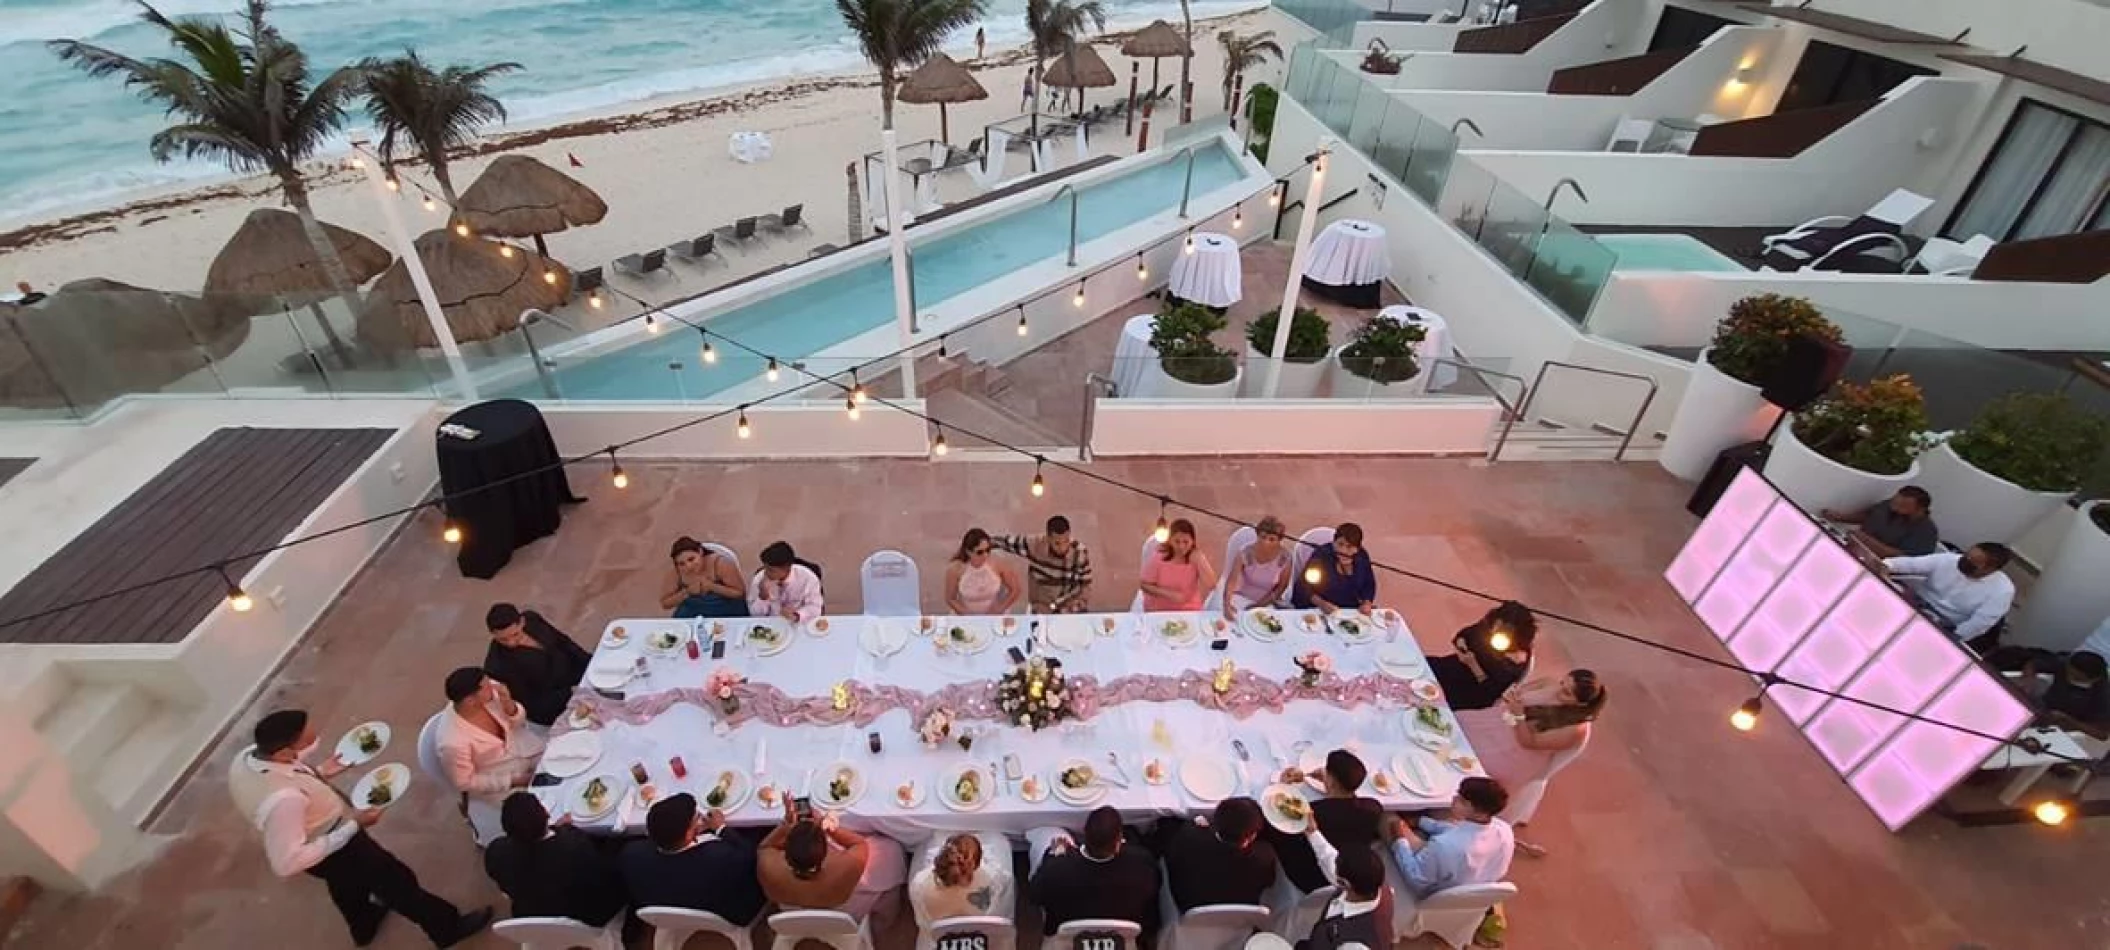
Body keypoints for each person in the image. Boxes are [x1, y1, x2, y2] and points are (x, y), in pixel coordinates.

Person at [228, 709, 492, 947]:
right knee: (397, 882)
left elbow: (292, 776)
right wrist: (354, 825)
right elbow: (287, 861)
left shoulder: (248, 758)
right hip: (334, 845)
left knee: (345, 884)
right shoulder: (285, 800)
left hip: (325, 840)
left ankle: (363, 923)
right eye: (307, 742)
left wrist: (321, 772)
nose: (314, 743)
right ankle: (446, 927)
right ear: (284, 752)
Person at [1459, 670, 1606, 857]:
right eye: (1562, 683)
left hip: (1518, 753)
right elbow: (1517, 692)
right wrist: (1511, 695)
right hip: (1495, 723)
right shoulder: (1548, 682)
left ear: (1581, 703)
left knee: (1471, 763)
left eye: (1567, 693)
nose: (1559, 690)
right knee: (1459, 723)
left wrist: (1519, 716)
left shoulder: (1576, 729)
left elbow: (1529, 743)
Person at [433, 667, 547, 844]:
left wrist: (509, 705)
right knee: (540, 806)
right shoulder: (452, 742)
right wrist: (513, 781)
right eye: (486, 687)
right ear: (471, 701)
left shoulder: (490, 690)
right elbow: (464, 782)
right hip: (497, 775)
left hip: (523, 748)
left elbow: (518, 722)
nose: (493, 687)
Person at [619, 792, 768, 926]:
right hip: (732, 912)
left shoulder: (631, 854)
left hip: (673, 909)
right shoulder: (720, 858)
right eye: (696, 818)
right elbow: (750, 855)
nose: (701, 818)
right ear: (688, 834)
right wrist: (722, 829)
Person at [483, 792, 624, 928]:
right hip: (585, 918)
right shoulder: (575, 847)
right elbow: (604, 874)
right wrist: (563, 830)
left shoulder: (495, 853)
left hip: (534, 920)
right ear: (546, 813)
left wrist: (558, 830)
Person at [758, 795, 905, 921]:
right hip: (843, 910)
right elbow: (859, 844)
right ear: (824, 853)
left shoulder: (768, 867)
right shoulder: (843, 868)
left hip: (794, 910)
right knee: (890, 850)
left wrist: (786, 825)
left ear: (786, 855)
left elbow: (765, 846)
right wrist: (827, 826)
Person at [1027, 806, 1159, 935]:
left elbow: (1034, 895)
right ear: (1118, 842)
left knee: (1050, 834)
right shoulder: (1142, 862)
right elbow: (1155, 886)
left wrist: (1053, 855)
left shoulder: (1057, 868)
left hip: (1067, 931)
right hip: (1122, 929)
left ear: (1084, 833)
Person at [1271, 749, 1386, 893]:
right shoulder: (1373, 807)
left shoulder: (1316, 812)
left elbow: (1280, 817)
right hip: (1347, 866)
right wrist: (1331, 784)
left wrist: (1282, 787)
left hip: (1310, 876)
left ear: (1331, 780)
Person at [1382, 777, 1514, 902]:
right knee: (1440, 813)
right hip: (1474, 883)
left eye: (1462, 802)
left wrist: (1400, 840)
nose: (1454, 799)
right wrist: (1422, 822)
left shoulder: (1444, 845)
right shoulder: (1505, 829)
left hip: (1435, 891)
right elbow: (1460, 831)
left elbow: (1416, 879)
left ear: (1480, 813)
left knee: (1387, 817)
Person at [1876, 543, 2015, 649]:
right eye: (1967, 555)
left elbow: (1978, 624)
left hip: (1943, 625)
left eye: (1973, 561)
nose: (1965, 560)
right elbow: (1911, 564)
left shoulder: (2002, 590)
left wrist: (1948, 640)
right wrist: (1887, 566)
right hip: (1916, 602)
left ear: (1990, 569)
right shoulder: (1949, 560)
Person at [1160, 796, 1278, 912]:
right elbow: (1268, 881)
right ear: (1252, 836)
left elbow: (1172, 858)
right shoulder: (1264, 856)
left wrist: (1201, 829)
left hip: (1188, 904)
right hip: (1235, 915)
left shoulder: (1190, 837)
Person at [481, 602, 590, 727]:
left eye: (515, 634)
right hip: (554, 701)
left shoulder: (533, 620)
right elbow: (530, 703)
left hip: (572, 670)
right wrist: (570, 692)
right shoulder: (498, 666)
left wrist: (589, 661)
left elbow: (563, 641)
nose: (511, 643)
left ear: (522, 622)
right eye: (503, 639)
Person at [1426, 601, 1538, 711]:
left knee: (1430, 700)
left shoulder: (1515, 661)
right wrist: (1461, 646)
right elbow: (1464, 634)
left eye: (1504, 628)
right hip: (1455, 667)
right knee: (1423, 666)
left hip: (1470, 692)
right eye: (1498, 624)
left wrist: (1473, 665)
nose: (1496, 630)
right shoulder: (1490, 625)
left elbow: (1489, 694)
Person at [907, 832, 1015, 930]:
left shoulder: (920, 883)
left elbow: (922, 921)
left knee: (929, 842)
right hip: (982, 930)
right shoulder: (993, 876)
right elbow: (1003, 895)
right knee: (999, 841)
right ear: (976, 864)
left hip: (939, 933)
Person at [1288, 845, 1388, 950]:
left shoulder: (1356, 945)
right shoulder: (1371, 882)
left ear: (1345, 884)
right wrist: (1312, 833)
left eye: (1338, 878)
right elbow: (1331, 861)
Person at [994, 515, 1095, 613]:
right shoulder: (1035, 544)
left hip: (1070, 605)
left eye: (1066, 541)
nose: (1062, 547)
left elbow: (1085, 585)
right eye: (1057, 543)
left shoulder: (1079, 552)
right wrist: (987, 544)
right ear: (1048, 538)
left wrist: (1077, 604)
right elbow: (1006, 542)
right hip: (1042, 606)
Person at [1823, 486, 1939, 557]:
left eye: (1902, 505)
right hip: (1854, 545)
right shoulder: (1889, 506)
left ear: (1920, 509)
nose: (1895, 506)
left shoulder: (1926, 531)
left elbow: (1904, 557)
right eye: (1895, 501)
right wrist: (1840, 517)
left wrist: (1866, 540)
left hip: (1878, 564)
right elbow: (1867, 515)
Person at [1220, 515, 1295, 617]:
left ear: (1279, 540)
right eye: (1263, 537)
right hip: (1240, 596)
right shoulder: (1245, 553)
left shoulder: (1285, 558)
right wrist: (1227, 604)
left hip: (1267, 601)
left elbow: (1280, 588)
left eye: (1272, 539)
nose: (1265, 542)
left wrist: (1258, 606)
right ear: (1257, 535)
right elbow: (1232, 581)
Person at [1292, 523, 1377, 614]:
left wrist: (1367, 603)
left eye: (1349, 547)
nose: (1343, 551)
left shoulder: (1362, 557)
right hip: (1320, 610)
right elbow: (1303, 586)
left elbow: (1369, 584)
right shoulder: (1322, 555)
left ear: (1357, 548)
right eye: (1340, 544)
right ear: (1334, 542)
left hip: (1350, 611)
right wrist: (1322, 604)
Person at [1140, 518, 1217, 612]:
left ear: (1192, 541)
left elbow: (1212, 585)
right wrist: (1169, 594)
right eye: (1177, 541)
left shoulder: (1196, 558)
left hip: (1189, 608)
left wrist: (1200, 561)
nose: (1181, 547)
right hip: (1159, 609)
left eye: (1186, 542)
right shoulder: (1159, 557)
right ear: (1170, 540)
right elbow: (1144, 585)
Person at [662, 536, 748, 618]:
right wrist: (687, 592)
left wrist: (712, 587)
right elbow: (665, 603)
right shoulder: (676, 572)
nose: (688, 566)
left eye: (691, 559)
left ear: (700, 552)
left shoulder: (720, 564)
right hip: (693, 610)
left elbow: (739, 593)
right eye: (682, 564)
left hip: (726, 607)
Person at [946, 528, 1024, 615]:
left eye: (988, 550)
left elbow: (1015, 589)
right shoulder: (955, 569)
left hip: (994, 614)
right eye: (980, 552)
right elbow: (950, 598)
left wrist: (1001, 608)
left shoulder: (998, 563)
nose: (985, 555)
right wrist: (966, 614)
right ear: (968, 552)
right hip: (966, 615)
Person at [750, 540, 825, 622]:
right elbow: (755, 615)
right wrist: (763, 596)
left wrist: (797, 615)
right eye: (765, 567)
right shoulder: (759, 579)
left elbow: (815, 607)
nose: (766, 573)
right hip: (771, 623)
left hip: (798, 622)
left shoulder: (808, 578)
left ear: (787, 568)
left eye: (771, 570)